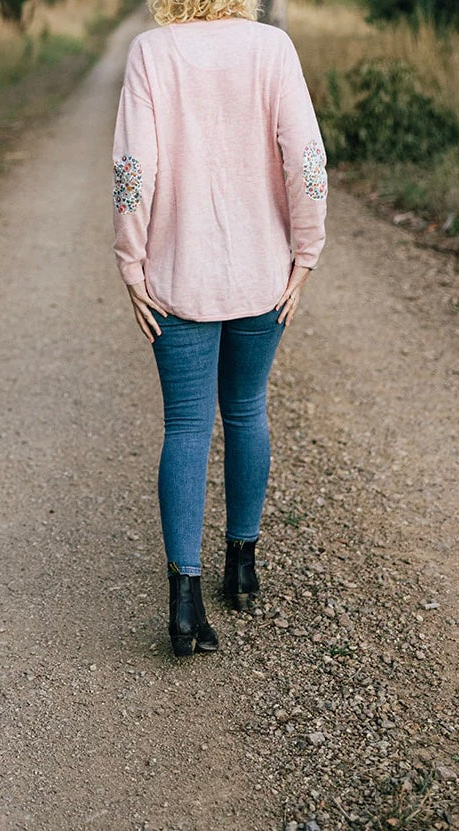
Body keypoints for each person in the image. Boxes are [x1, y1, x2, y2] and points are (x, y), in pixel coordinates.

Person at [111, 0, 327, 657]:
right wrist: (304, 254)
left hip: (177, 277)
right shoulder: (270, 48)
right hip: (262, 274)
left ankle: (184, 604)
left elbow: (132, 172)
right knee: (245, 409)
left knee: (185, 425)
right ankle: (244, 565)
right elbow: (308, 161)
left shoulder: (153, 51)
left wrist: (131, 262)